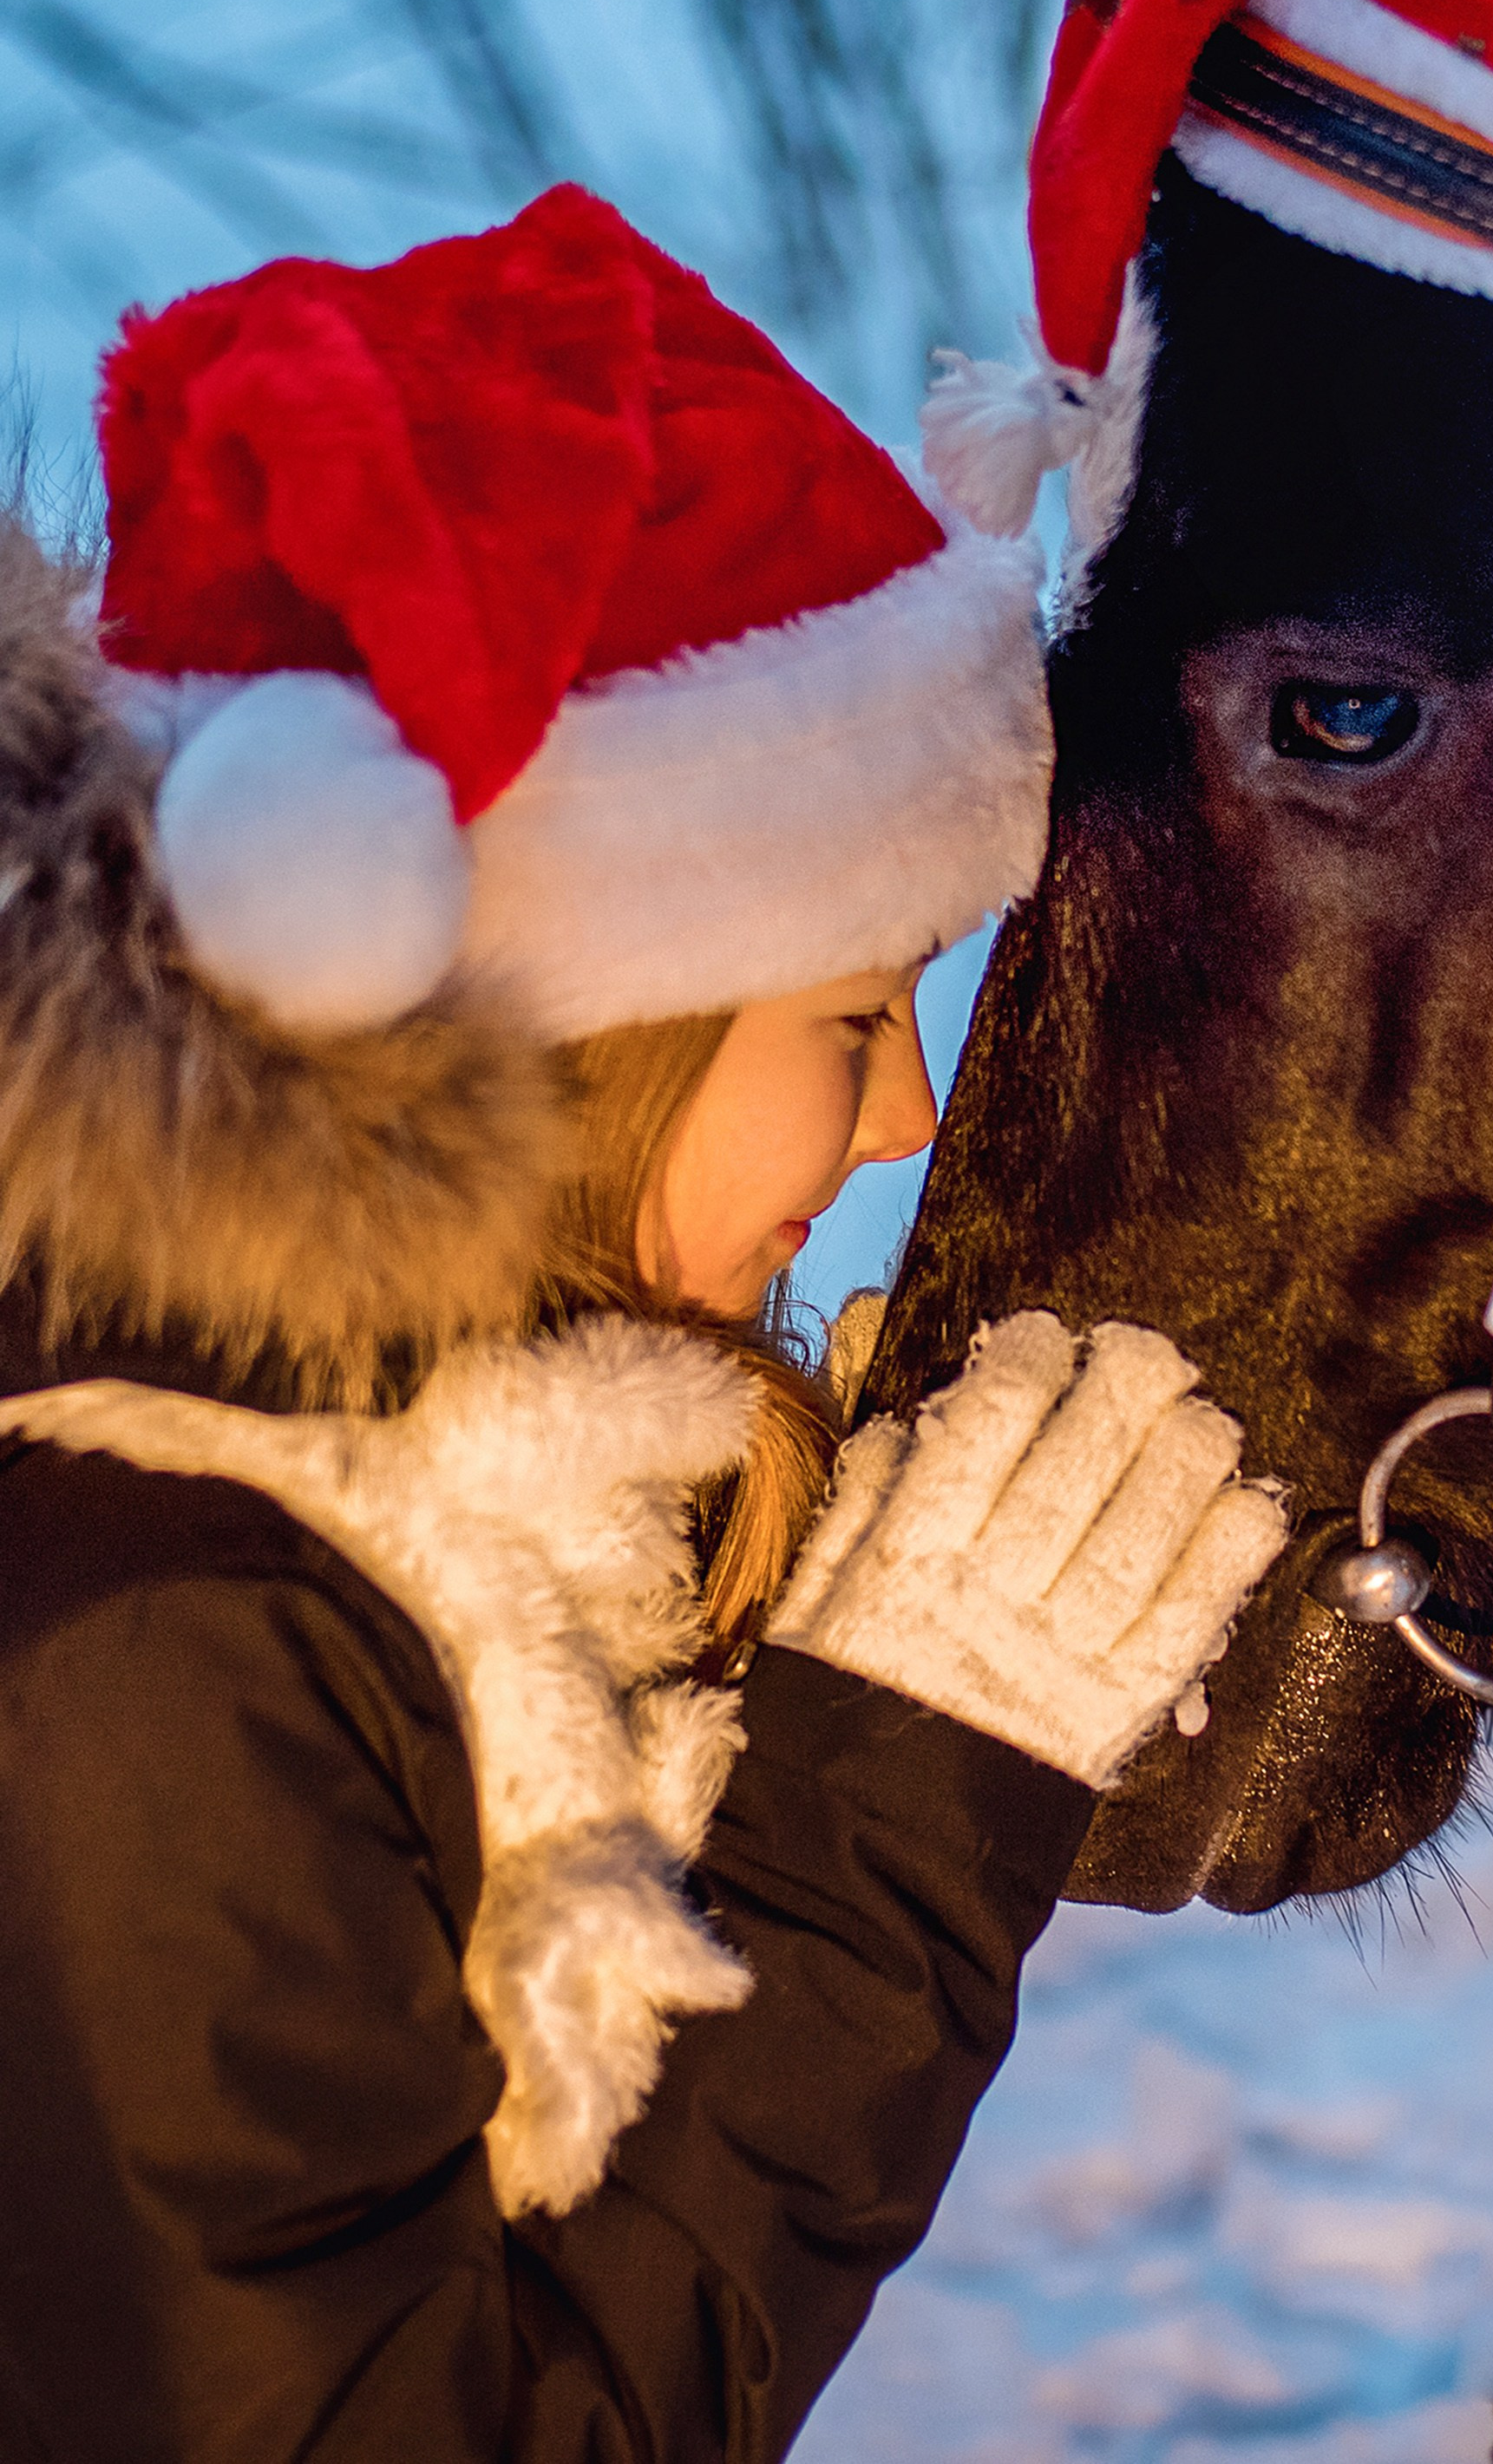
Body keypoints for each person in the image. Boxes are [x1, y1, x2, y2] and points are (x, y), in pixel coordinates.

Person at [0, 183, 1286, 2462]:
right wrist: (885, 1818)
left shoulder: (359, 1516)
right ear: (566, 1043)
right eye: (845, 1007)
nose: (897, 1117)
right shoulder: (158, 1630)